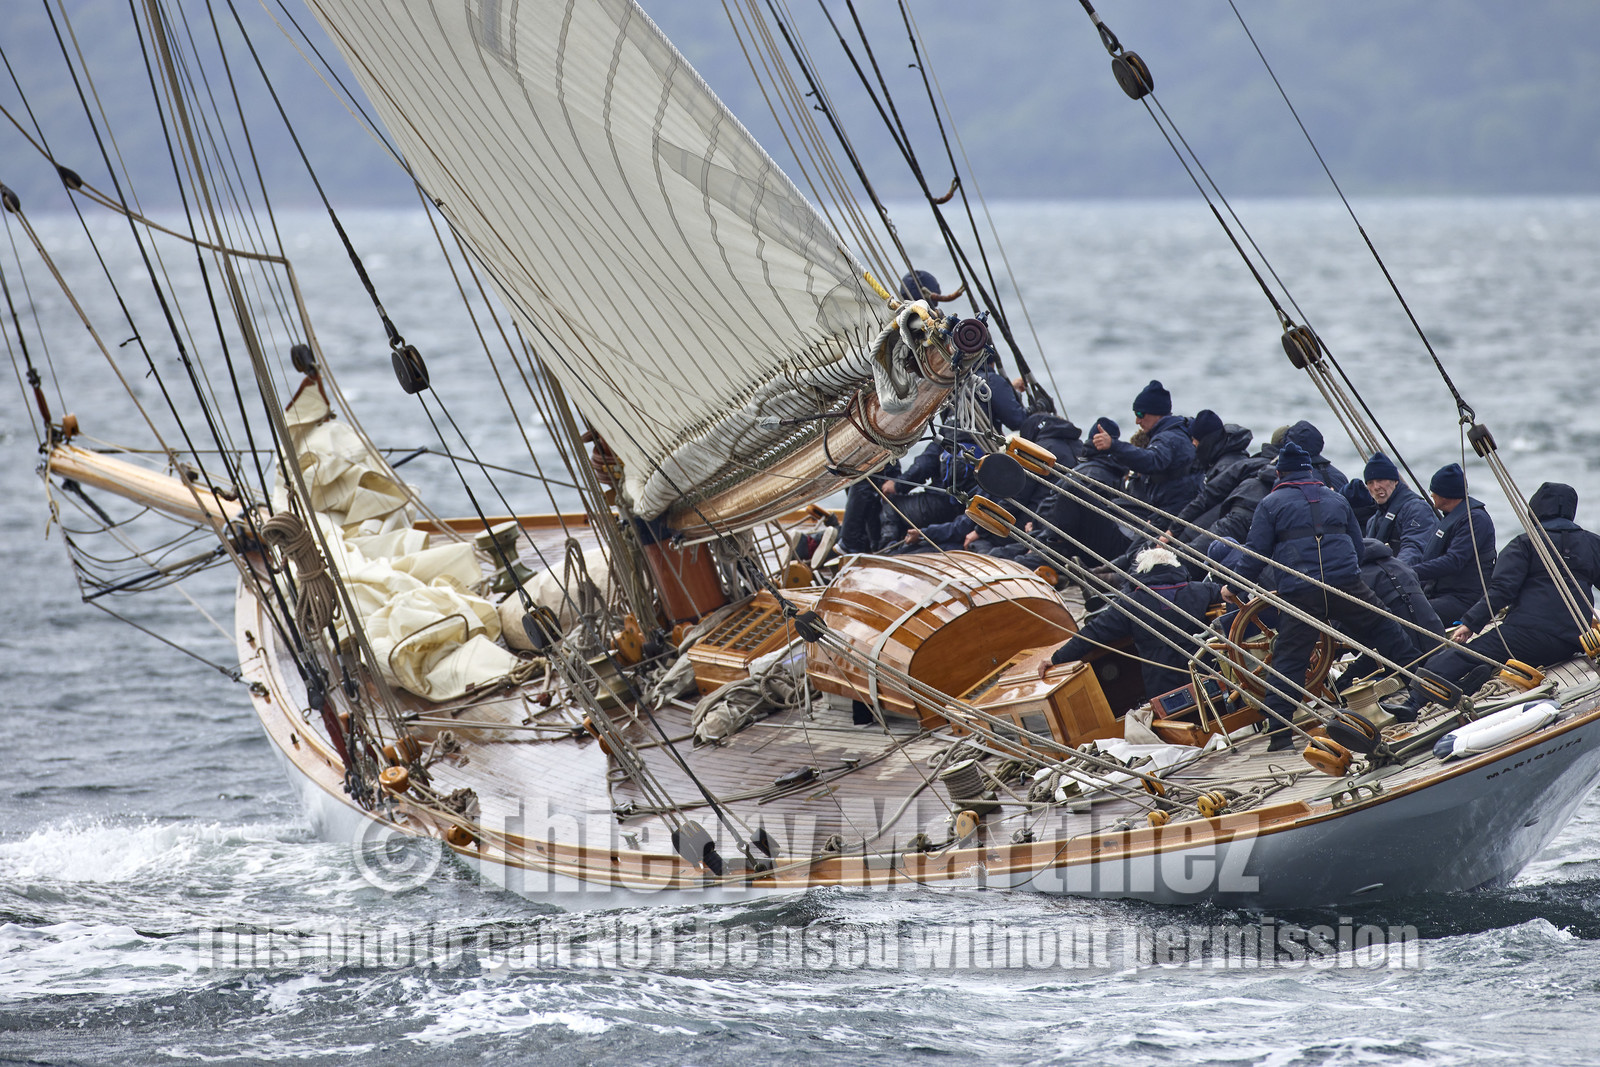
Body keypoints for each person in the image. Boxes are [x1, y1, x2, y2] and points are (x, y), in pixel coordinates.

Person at [1221, 441, 1413, 750]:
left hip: (1300, 594)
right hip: (1346, 586)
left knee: (1289, 661)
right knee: (1388, 631)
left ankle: (1280, 738)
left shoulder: (1270, 504)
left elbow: (1255, 554)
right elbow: (1358, 547)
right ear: (1310, 472)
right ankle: (1424, 688)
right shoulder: (1337, 499)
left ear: (1281, 473)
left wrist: (1234, 587)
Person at [1396, 482, 1600, 720]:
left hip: (1527, 635)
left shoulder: (1525, 544)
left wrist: (1470, 624)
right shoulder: (1593, 543)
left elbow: (1502, 590)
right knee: (1491, 654)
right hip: (1574, 640)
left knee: (1460, 655)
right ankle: (1474, 678)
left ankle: (1412, 704)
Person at [1040, 545, 1221, 700]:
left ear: (1142, 573)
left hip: (1164, 691)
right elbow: (1232, 598)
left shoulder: (1131, 604)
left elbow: (1092, 634)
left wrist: (1056, 659)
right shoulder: (1204, 591)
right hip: (1209, 681)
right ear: (1176, 567)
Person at [1089, 379, 1201, 530]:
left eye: (1140, 414)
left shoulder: (1169, 438)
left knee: (1133, 554)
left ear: (1156, 413)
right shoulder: (1180, 433)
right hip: (1168, 512)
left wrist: (1113, 446)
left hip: (1173, 515)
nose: (1137, 421)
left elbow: (1152, 460)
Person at [1412, 462, 1496, 624]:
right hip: (1439, 593)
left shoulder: (1475, 520)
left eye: (1433, 491)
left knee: (1410, 614)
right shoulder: (1452, 517)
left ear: (1445, 494)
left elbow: (1454, 561)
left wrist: (1410, 572)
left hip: (1465, 600)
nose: (1431, 495)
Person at [1170, 412, 1268, 546]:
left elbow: (1210, 501)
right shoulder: (1224, 458)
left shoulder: (1225, 466)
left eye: (1195, 439)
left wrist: (1175, 531)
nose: (1192, 443)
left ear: (1205, 442)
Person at [1360, 452, 1437, 568]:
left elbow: (1414, 548)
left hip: (1416, 580)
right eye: (1370, 483)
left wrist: (1394, 573)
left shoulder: (1416, 509)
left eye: (1380, 480)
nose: (1376, 487)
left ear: (1395, 481)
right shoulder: (1373, 521)